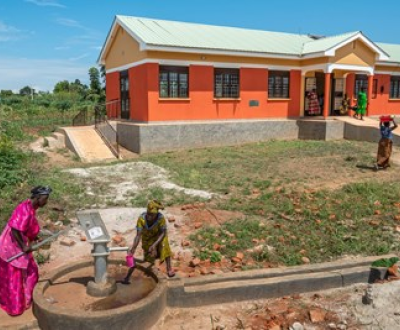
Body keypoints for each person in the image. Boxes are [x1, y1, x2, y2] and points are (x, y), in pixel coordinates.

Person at [0, 186, 52, 316]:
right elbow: (15, 229)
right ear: (38, 198)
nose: (46, 202)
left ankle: (28, 298)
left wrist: (34, 236)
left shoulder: (30, 207)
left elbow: (26, 226)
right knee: (14, 277)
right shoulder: (24, 209)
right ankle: (15, 307)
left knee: (31, 271)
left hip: (19, 243)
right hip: (12, 247)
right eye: (45, 199)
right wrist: (24, 246)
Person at [122, 200, 175, 284]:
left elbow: (163, 233)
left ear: (156, 214)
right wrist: (133, 249)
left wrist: (154, 245)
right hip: (147, 238)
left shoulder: (160, 218)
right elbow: (138, 235)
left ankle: (169, 268)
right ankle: (150, 270)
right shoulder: (141, 219)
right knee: (148, 256)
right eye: (148, 214)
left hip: (159, 236)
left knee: (165, 247)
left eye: (152, 215)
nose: (149, 216)